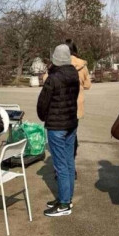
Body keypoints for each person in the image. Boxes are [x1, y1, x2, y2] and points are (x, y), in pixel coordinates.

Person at [37, 44, 80, 217]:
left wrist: (43, 116)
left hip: (56, 126)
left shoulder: (53, 78)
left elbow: (43, 102)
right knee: (69, 162)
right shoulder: (74, 74)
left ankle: (64, 205)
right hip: (71, 123)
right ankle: (66, 198)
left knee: (61, 165)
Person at [65, 39, 91, 175]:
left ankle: (61, 168)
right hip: (76, 104)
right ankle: (71, 165)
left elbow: (46, 80)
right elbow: (88, 85)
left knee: (60, 135)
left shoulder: (59, 63)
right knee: (72, 134)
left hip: (61, 104)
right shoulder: (82, 65)